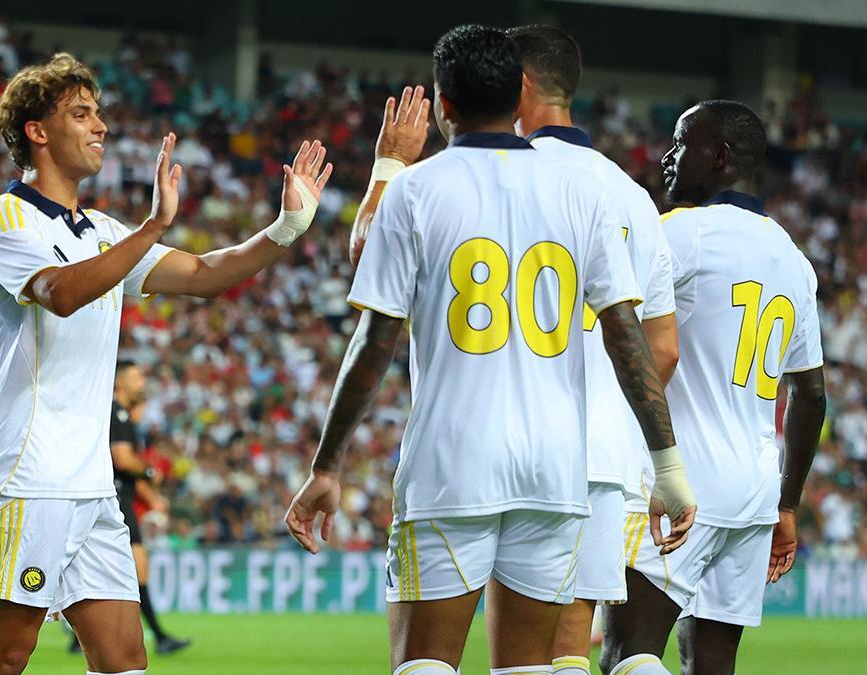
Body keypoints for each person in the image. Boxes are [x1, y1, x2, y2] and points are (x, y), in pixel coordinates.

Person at [286, 25, 695, 675]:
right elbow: (628, 337)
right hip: (555, 466)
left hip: (453, 459)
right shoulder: (586, 192)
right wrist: (667, 466)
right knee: (530, 665)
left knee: (426, 662)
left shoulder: (416, 190)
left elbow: (375, 341)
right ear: (516, 94)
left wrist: (327, 464)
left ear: (444, 104)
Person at [0, 52, 332, 675]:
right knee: (4, 656)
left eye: (98, 112)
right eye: (81, 113)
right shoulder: (4, 219)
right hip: (28, 476)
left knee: (126, 660)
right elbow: (60, 293)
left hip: (92, 485)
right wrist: (153, 225)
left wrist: (286, 228)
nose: (100, 125)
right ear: (37, 131)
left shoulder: (103, 231)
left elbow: (206, 274)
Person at [599, 101, 827, 675]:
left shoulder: (677, 233)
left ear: (720, 156)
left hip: (680, 481)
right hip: (753, 491)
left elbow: (615, 323)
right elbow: (810, 394)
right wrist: (787, 504)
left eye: (681, 144)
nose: (667, 156)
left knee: (627, 655)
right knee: (711, 664)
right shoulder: (794, 259)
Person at [508, 24, 682, 675]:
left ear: (519, 85)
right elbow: (663, 349)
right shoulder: (633, 196)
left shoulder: (502, 173)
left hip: (515, 440)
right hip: (605, 451)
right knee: (569, 644)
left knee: (513, 647)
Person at [67, 361, 190, 656]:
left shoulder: (119, 416)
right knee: (135, 569)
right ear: (120, 383)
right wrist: (148, 471)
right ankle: (158, 637)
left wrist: (150, 494)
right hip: (115, 503)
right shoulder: (116, 414)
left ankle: (81, 636)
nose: (141, 383)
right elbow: (121, 459)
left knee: (112, 572)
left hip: (120, 501)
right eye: (135, 378)